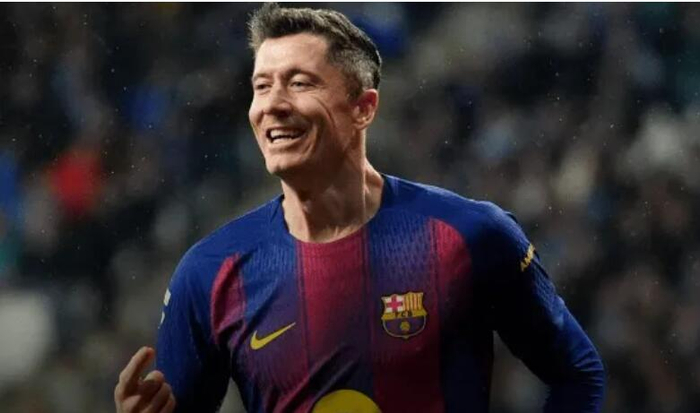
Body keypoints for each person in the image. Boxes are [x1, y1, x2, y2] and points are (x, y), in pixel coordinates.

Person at [114, 3, 605, 412]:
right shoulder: (210, 273)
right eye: (262, 86)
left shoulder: (469, 235)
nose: (272, 104)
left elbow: (577, 373)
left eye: (299, 83)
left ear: (363, 108)